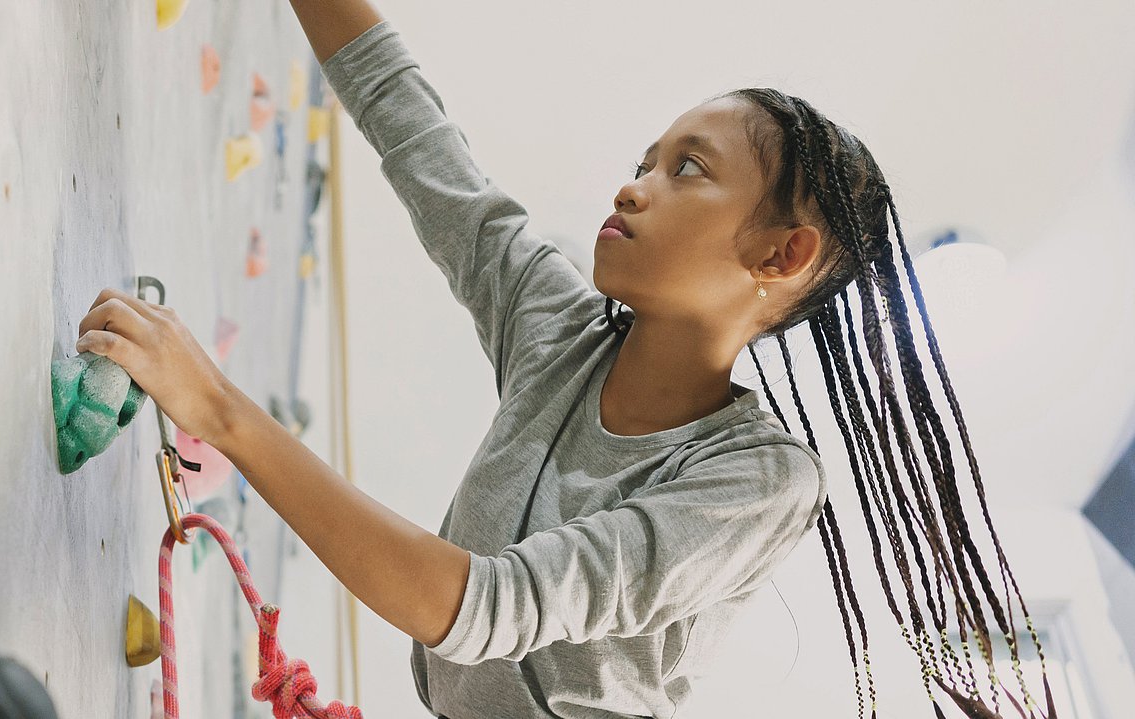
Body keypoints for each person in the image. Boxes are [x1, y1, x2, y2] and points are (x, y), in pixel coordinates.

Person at [76, 3, 1059, 718]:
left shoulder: (759, 480)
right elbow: (417, 136)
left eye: (687, 169)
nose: (634, 188)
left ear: (782, 254)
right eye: (644, 159)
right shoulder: (560, 331)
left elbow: (472, 604)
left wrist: (221, 409)